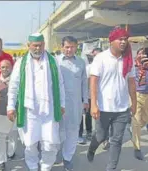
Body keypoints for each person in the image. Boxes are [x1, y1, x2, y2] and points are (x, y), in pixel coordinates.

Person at [7, 33, 65, 171]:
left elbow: (60, 84)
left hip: (49, 109)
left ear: (44, 45)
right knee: (30, 143)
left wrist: (62, 104)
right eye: (35, 45)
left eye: (40, 45)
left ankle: (46, 167)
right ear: (29, 46)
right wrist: (10, 106)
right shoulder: (21, 63)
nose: (38, 48)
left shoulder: (52, 61)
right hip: (29, 110)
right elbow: (13, 86)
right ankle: (33, 167)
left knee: (50, 143)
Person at [87, 27, 137, 171]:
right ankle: (92, 149)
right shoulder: (101, 58)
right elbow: (93, 81)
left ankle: (111, 168)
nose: (123, 42)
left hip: (122, 108)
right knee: (101, 136)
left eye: (125, 39)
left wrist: (133, 103)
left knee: (116, 140)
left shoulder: (128, 59)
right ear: (111, 41)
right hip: (103, 107)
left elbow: (131, 82)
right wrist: (94, 104)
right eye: (120, 39)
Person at [56, 36, 88, 170]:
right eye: (67, 47)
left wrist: (86, 100)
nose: (69, 50)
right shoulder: (55, 62)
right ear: (62, 47)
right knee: (56, 131)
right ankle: (53, 155)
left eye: (72, 47)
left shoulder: (81, 62)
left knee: (73, 131)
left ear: (76, 47)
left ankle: (68, 157)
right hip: (58, 104)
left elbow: (84, 83)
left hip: (75, 104)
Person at [0, 60, 17, 170]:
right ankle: (1, 161)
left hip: (14, 114)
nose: (5, 69)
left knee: (12, 135)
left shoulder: (17, 81)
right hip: (1, 114)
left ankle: (11, 152)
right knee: (1, 137)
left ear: (12, 68)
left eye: (7, 67)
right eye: (3, 67)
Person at [80, 48, 103, 142]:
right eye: (95, 55)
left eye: (98, 55)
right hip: (90, 95)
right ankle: (88, 132)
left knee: (102, 116)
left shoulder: (105, 65)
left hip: (102, 96)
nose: (96, 57)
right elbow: (86, 82)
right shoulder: (89, 67)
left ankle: (102, 135)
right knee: (88, 115)